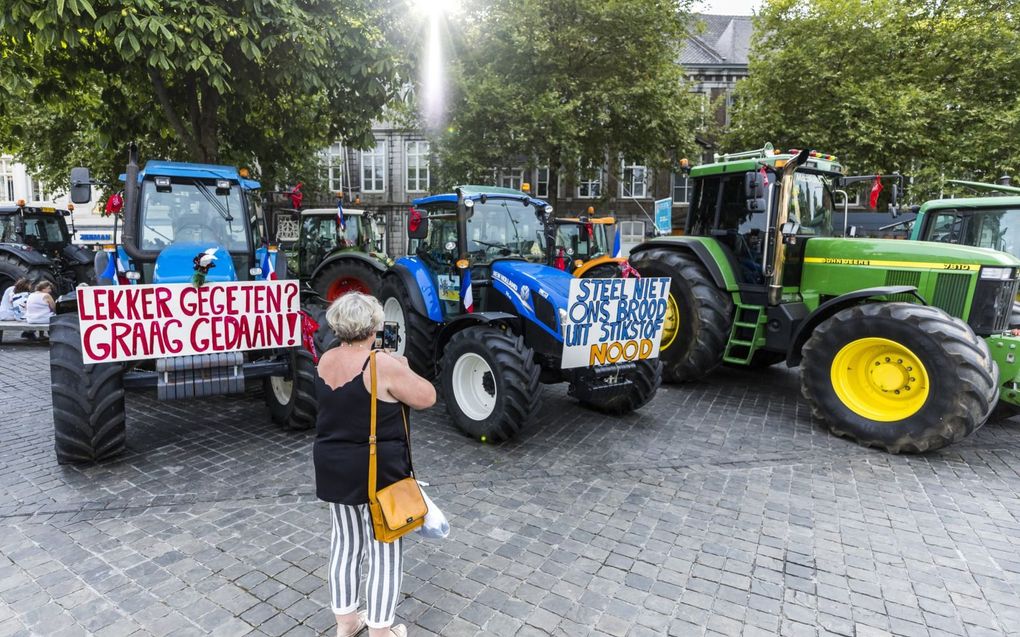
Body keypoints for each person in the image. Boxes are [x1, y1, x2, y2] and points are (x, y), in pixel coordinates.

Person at [314, 293, 436, 637]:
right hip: (376, 471)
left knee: (345, 544)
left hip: (332, 464)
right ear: (373, 327)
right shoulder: (381, 364)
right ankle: (381, 630)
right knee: (385, 548)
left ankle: (347, 623)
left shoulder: (326, 359)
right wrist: (405, 366)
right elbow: (427, 397)